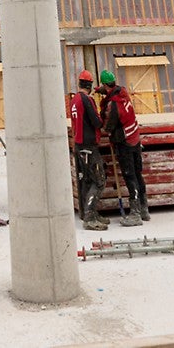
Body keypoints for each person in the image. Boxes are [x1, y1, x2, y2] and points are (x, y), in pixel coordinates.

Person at [99, 70, 149, 225]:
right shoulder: (123, 93)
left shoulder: (113, 104)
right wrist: (105, 92)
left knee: (130, 176)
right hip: (135, 137)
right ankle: (143, 209)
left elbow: (108, 126)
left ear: (104, 84)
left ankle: (135, 214)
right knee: (138, 173)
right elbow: (113, 92)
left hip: (124, 142)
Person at [70, 69, 108, 231]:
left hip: (79, 145)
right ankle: (90, 217)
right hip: (89, 146)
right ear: (90, 85)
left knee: (86, 180)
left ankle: (87, 213)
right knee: (99, 181)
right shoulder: (86, 100)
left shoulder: (74, 99)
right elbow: (97, 122)